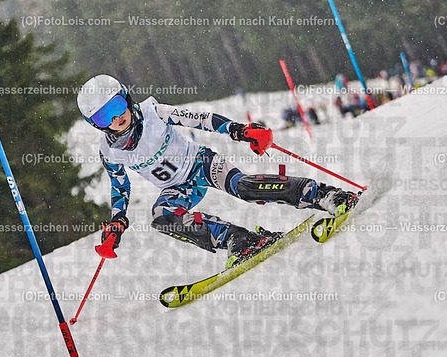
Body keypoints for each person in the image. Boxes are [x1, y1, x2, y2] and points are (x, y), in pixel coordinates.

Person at [77, 75, 358, 266]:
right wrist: (117, 221)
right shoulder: (109, 151)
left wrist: (239, 130)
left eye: (117, 106)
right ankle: (239, 239)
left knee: (243, 187)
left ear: (126, 98)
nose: (116, 117)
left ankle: (323, 194)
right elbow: (120, 186)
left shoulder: (153, 112)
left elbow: (199, 119)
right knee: (162, 217)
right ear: (96, 124)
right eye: (104, 116)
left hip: (200, 163)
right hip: (176, 188)